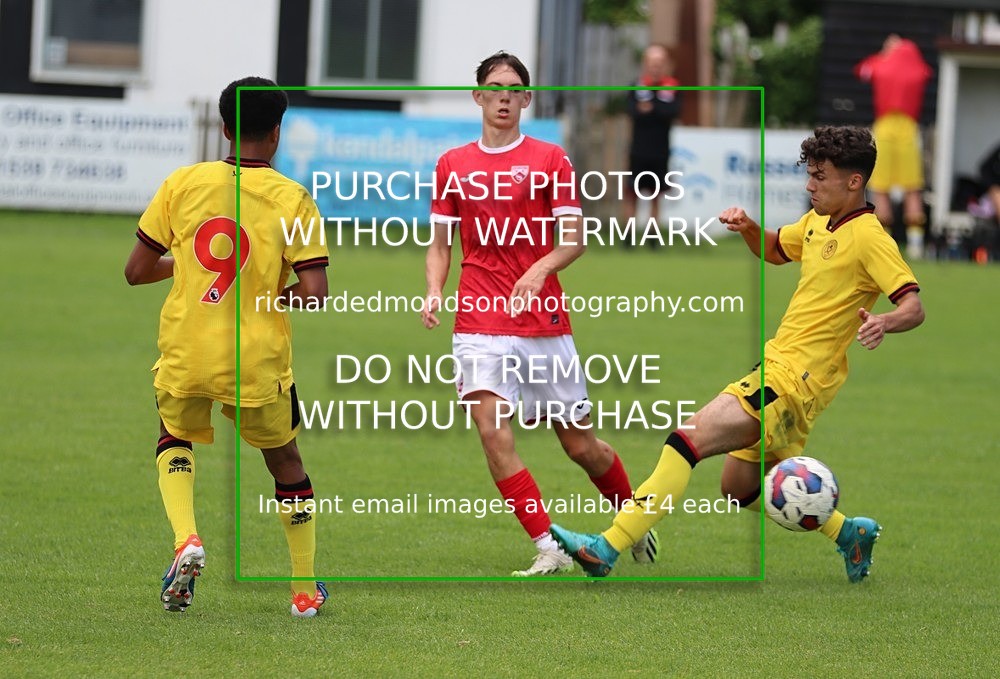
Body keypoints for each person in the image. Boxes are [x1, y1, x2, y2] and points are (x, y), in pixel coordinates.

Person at [551, 126, 925, 582]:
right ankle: (849, 532)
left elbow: (913, 305)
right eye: (809, 174)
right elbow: (775, 249)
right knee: (737, 487)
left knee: (684, 441)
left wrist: (885, 321)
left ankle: (606, 547)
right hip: (787, 376)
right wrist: (749, 227)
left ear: (854, 181)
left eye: (819, 177)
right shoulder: (817, 222)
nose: (809, 185)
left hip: (792, 380)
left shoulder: (870, 237)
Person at [421, 51, 658, 576]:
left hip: (541, 318)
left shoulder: (551, 159)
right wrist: (435, 289)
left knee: (580, 445)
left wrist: (539, 269)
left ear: (527, 99)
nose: (504, 96)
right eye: (494, 87)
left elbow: (574, 239)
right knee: (492, 433)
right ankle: (549, 545)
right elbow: (440, 243)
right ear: (478, 96)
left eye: (514, 88)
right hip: (479, 318)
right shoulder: (452, 165)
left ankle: (633, 517)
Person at [124, 77, 329, 616]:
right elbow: (315, 291)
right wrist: (268, 294)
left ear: (224, 128)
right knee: (286, 462)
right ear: (277, 132)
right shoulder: (293, 198)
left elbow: (136, 271)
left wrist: (188, 266)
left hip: (188, 348)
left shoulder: (182, 183)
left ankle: (186, 539)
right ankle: (303, 590)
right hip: (256, 360)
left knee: (173, 434)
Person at [854, 34, 932, 259]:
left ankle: (885, 244)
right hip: (909, 128)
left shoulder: (880, 65)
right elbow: (927, 73)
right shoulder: (918, 68)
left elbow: (862, 71)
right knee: (912, 187)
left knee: (881, 188)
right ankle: (916, 244)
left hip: (885, 127)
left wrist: (884, 54)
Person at [623, 44, 681, 247]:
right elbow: (632, 111)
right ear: (645, 64)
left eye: (659, 63)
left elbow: (672, 111)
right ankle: (628, 237)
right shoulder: (637, 86)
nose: (655, 67)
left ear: (665, 65)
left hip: (660, 152)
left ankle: (653, 237)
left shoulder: (672, 87)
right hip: (638, 151)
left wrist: (651, 107)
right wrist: (654, 109)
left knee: (656, 195)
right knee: (632, 194)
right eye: (652, 63)